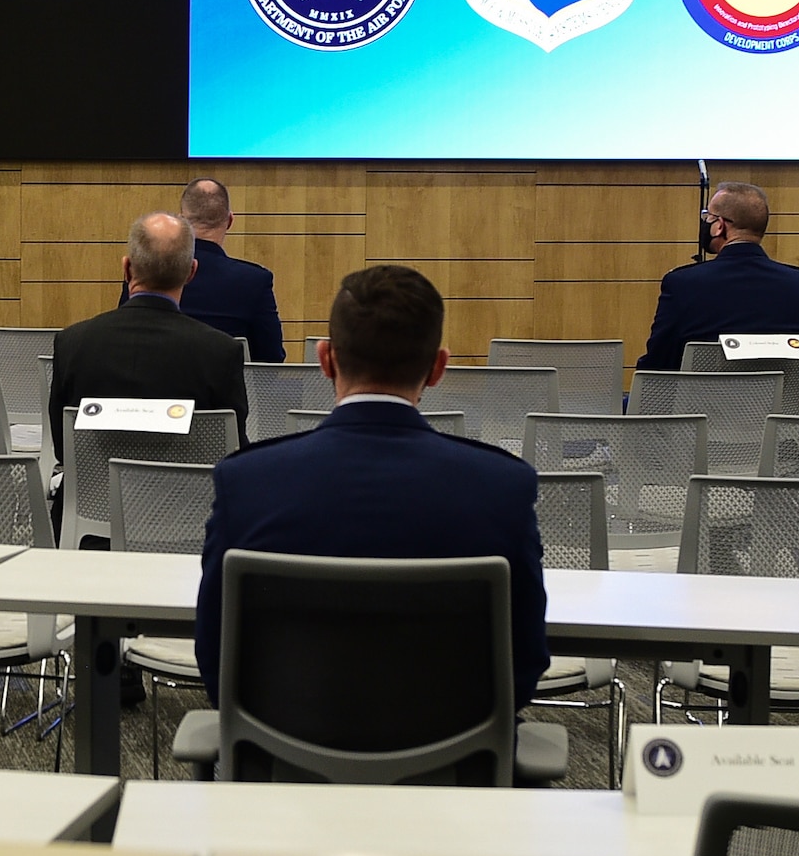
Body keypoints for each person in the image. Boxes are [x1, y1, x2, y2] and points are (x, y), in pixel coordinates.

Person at [194, 264, 547, 711]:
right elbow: (525, 662)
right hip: (455, 770)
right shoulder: (504, 487)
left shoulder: (246, 482)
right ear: (439, 367)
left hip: (283, 768)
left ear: (325, 358)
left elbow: (215, 659)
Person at [49, 212, 250, 480]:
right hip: (188, 514)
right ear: (191, 272)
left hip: (91, 517)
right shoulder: (221, 352)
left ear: (127, 268)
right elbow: (231, 452)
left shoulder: (72, 343)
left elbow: (64, 450)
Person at [637, 181, 799, 371]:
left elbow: (658, 362)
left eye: (708, 217)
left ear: (719, 226)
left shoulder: (682, 284)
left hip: (697, 400)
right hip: (778, 401)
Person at [118, 178, 284, 362]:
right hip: (225, 389)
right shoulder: (255, 281)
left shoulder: (146, 271)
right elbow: (271, 361)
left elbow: (124, 338)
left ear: (181, 221)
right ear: (229, 220)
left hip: (150, 389)